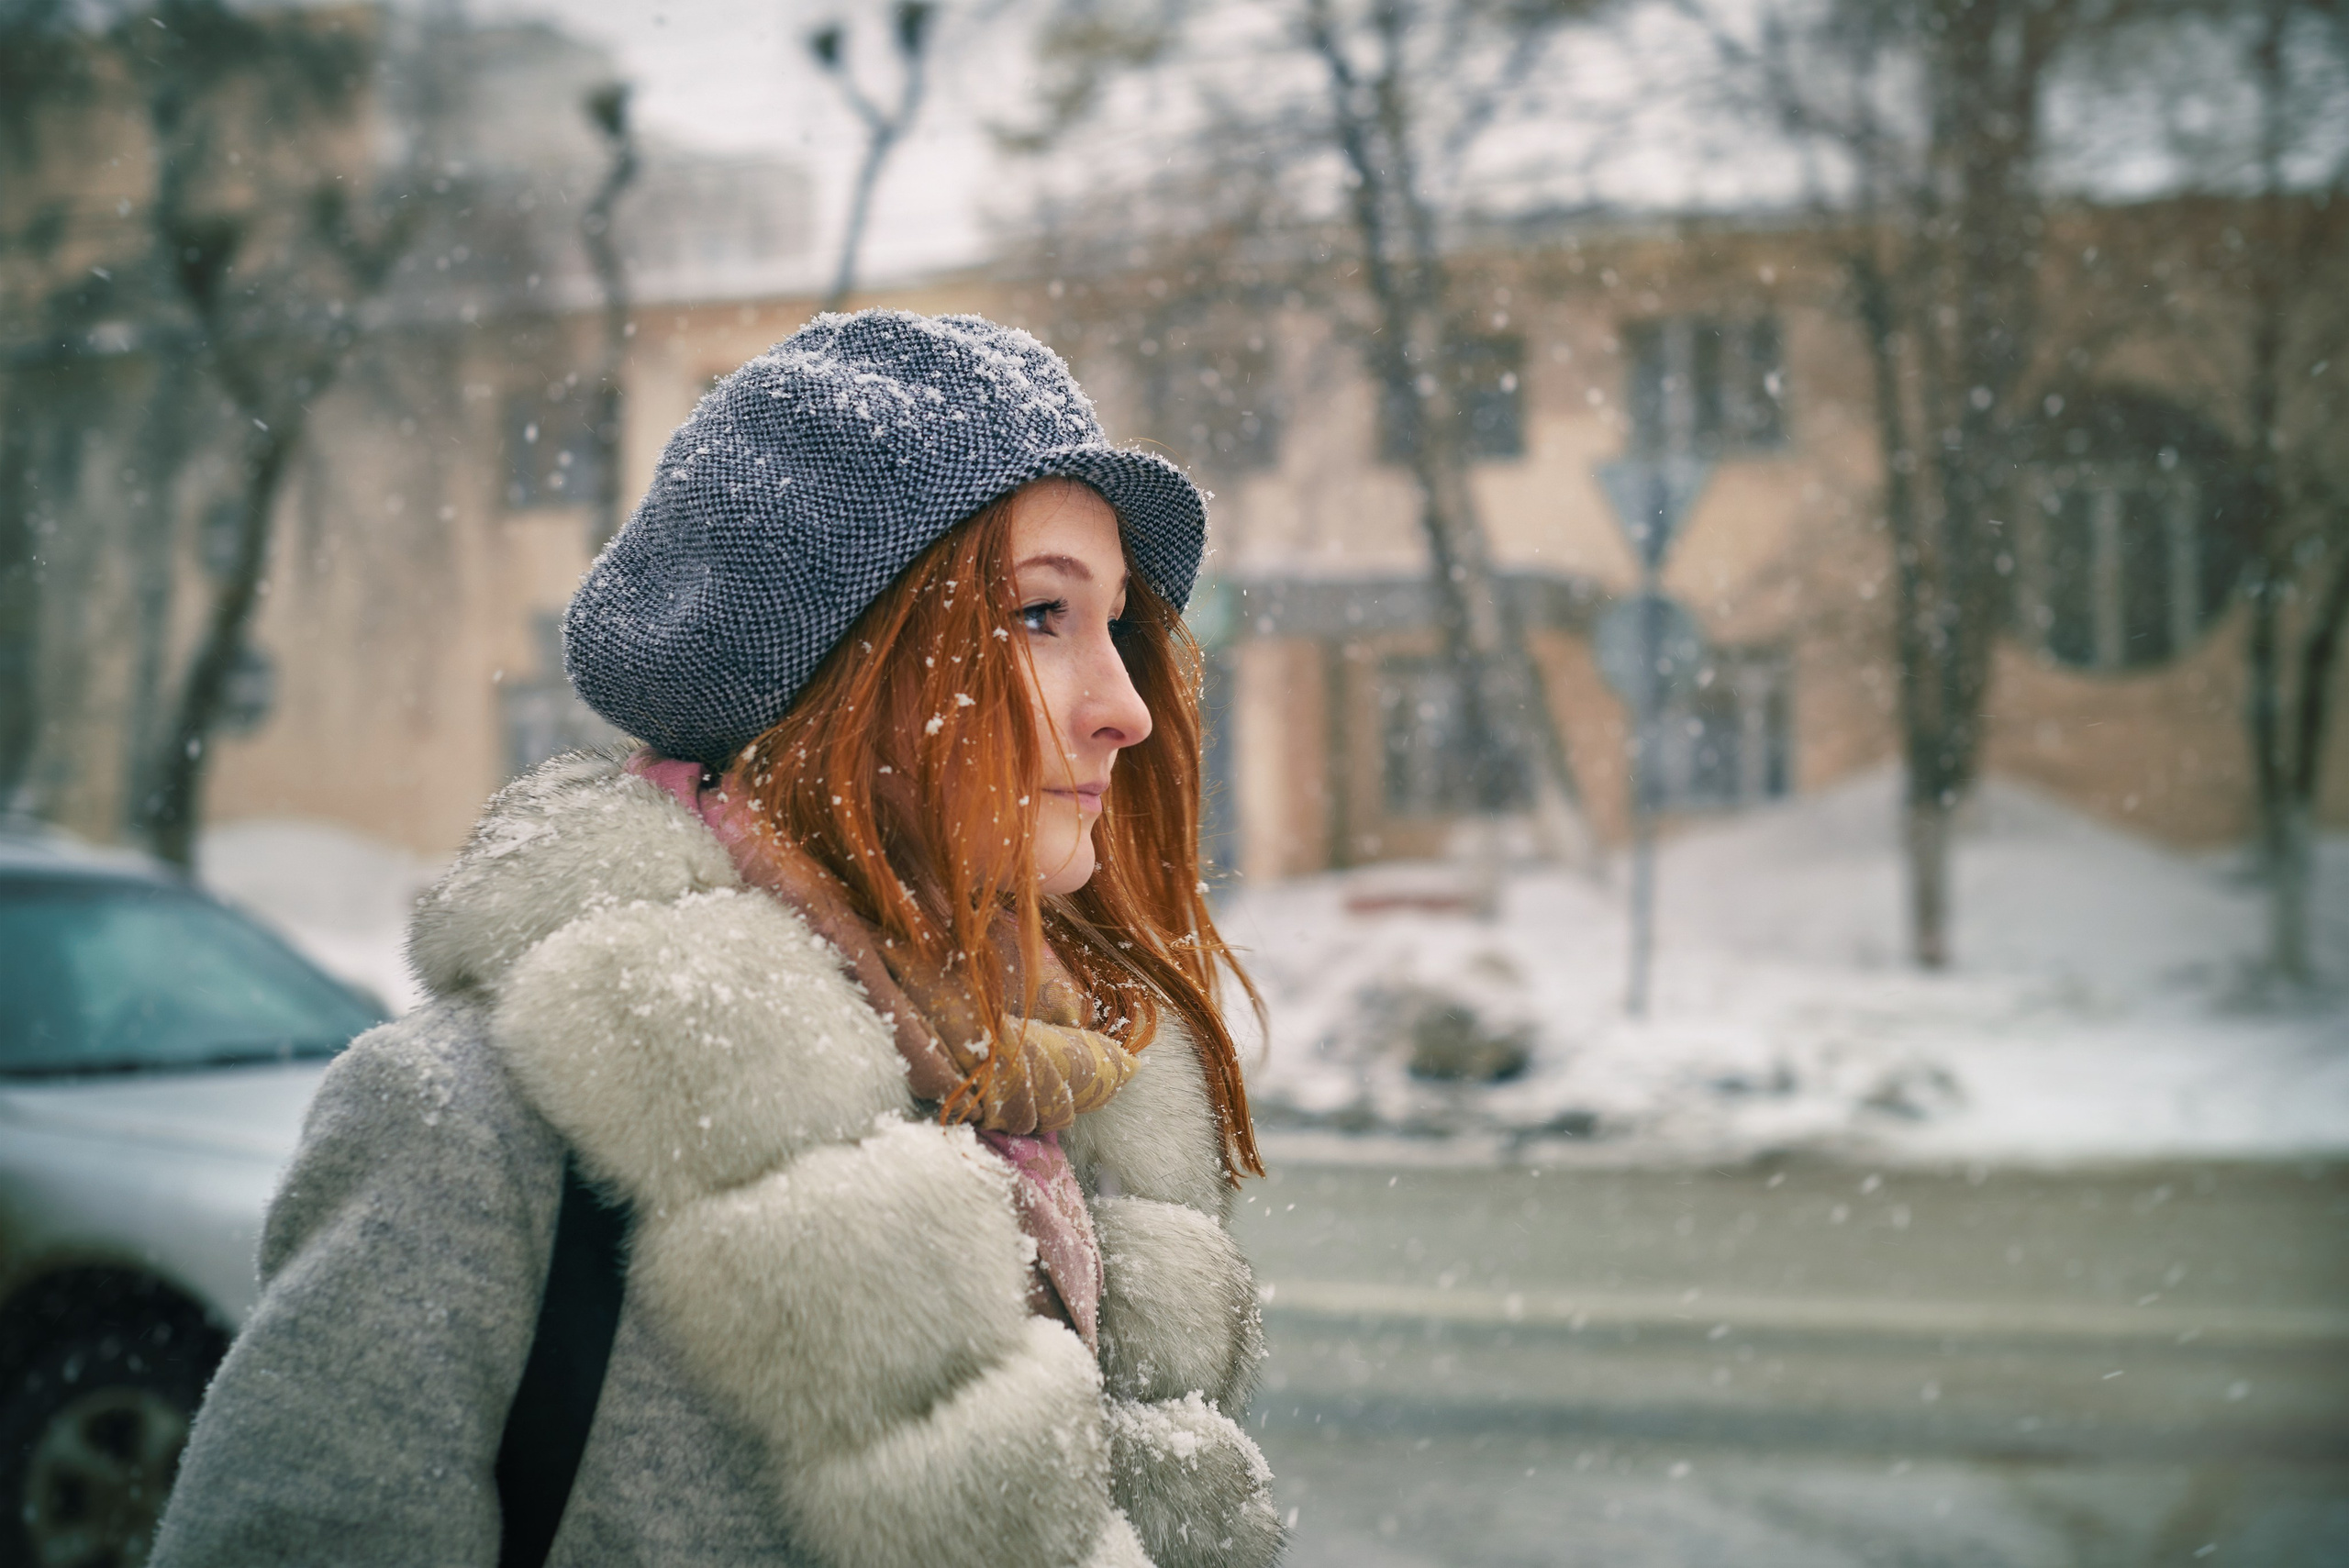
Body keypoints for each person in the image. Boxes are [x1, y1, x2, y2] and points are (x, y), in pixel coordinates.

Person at [150, 312, 1285, 1568]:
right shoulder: (483, 1130)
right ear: (837, 667)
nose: (1125, 707)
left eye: (1116, 622)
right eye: (1036, 616)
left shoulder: (1072, 1111)